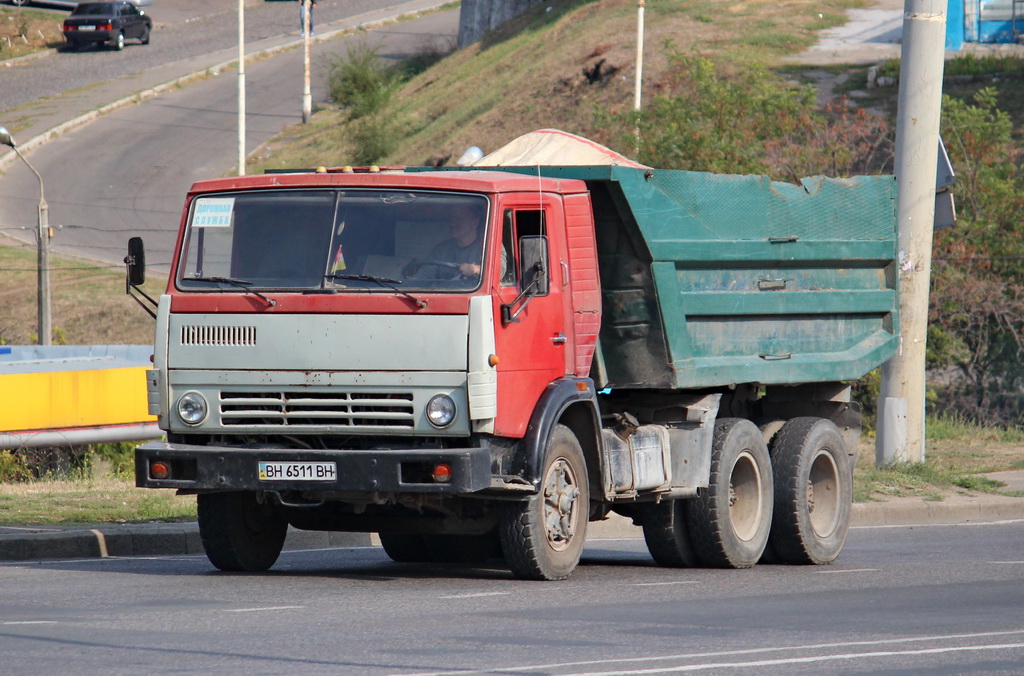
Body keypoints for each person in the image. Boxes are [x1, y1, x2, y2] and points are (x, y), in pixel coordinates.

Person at [430, 207, 484, 278]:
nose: (453, 223)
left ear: (475, 223)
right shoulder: (441, 249)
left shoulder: (489, 245)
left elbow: (499, 271)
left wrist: (474, 268)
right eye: (451, 218)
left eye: (458, 218)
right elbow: (423, 275)